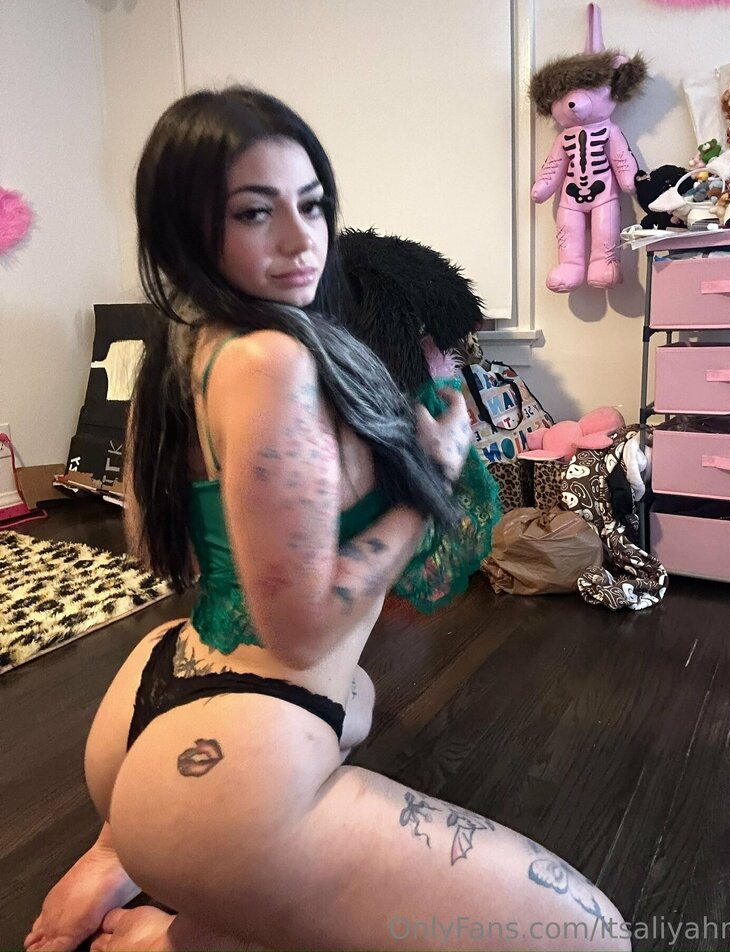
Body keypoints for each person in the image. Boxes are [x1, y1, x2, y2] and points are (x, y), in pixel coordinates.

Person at [25, 88, 630, 952]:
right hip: (229, 770)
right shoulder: (274, 360)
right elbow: (304, 631)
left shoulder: (188, 344)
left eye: (311, 205)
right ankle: (186, 926)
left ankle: (124, 848)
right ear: (187, 229)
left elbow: (159, 542)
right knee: (599, 937)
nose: (301, 239)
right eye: (254, 212)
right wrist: (427, 482)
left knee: (358, 699)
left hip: (153, 699)